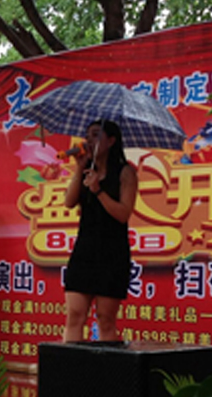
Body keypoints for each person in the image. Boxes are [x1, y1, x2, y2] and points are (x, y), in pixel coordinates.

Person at [63, 119, 138, 342]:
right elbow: (69, 202)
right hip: (85, 250)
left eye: (96, 135)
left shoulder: (125, 172)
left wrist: (98, 190)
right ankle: (70, 364)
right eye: (87, 136)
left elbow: (123, 214)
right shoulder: (87, 170)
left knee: (105, 319)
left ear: (111, 141)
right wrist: (79, 168)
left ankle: (107, 365)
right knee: (75, 316)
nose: (89, 140)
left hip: (112, 253)